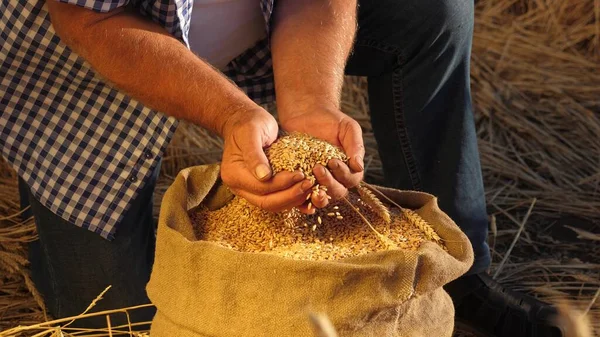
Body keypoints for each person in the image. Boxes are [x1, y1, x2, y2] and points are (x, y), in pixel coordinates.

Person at [0, 0, 561, 335]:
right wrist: (230, 112)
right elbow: (90, 22)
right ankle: (41, 210)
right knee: (115, 319)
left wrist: (311, 103)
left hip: (259, 23)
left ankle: (462, 273)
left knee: (431, 11)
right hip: (88, 67)